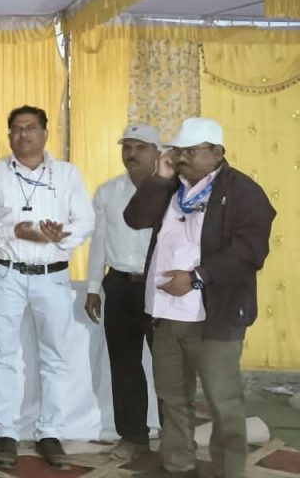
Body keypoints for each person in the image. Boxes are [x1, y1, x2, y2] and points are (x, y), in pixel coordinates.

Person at [124, 117, 275, 478]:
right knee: (173, 397)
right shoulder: (170, 186)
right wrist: (159, 177)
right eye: (179, 150)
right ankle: (179, 465)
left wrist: (196, 278)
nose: (182, 158)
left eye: (191, 151)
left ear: (217, 153)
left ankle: (229, 471)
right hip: (166, 313)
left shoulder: (243, 191)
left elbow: (250, 250)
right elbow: (135, 218)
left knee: (224, 402)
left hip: (214, 316)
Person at [0, 105, 94, 469]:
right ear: (9, 135)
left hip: (53, 275)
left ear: (45, 133)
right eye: (16, 129)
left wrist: (60, 236)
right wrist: (13, 230)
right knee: (2, 355)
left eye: (30, 128)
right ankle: (5, 433)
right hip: (6, 273)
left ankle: (50, 433)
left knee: (55, 356)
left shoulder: (66, 173)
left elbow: (86, 220)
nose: (23, 135)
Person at [85, 124, 162, 463]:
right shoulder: (108, 192)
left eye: (140, 147)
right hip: (118, 286)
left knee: (168, 366)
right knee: (125, 366)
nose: (132, 153)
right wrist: (93, 287)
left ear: (158, 152)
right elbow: (99, 243)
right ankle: (133, 437)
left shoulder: (173, 192)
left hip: (160, 288)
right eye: (127, 147)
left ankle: (175, 438)